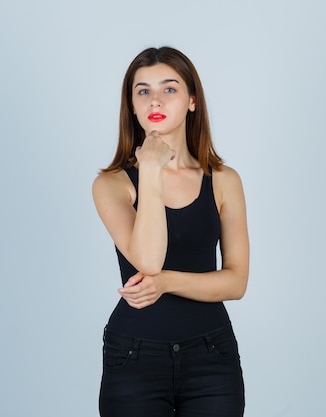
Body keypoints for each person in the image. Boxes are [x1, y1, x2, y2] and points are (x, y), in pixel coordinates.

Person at [92, 46, 249, 417]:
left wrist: (164, 283)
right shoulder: (113, 184)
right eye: (142, 91)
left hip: (212, 356)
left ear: (192, 100)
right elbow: (147, 259)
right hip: (134, 356)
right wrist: (150, 169)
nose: (155, 100)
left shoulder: (224, 181)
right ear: (131, 105)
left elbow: (236, 282)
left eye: (169, 88)